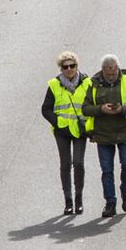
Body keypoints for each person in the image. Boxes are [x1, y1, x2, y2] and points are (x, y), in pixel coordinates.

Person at [88, 54, 126, 218]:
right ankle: (110, 203)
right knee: (107, 170)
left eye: (113, 73)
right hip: (103, 134)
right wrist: (100, 109)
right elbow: (85, 108)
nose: (111, 76)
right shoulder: (93, 84)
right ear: (103, 70)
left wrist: (122, 110)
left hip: (124, 132)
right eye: (108, 73)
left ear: (118, 69)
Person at [44, 51, 91, 214]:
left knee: (78, 162)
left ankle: (79, 198)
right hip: (62, 130)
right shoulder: (54, 84)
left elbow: (93, 102)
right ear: (61, 69)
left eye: (72, 66)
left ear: (77, 66)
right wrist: (57, 123)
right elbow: (46, 109)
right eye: (65, 67)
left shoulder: (87, 82)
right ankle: (68, 200)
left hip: (80, 129)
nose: (69, 69)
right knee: (65, 164)